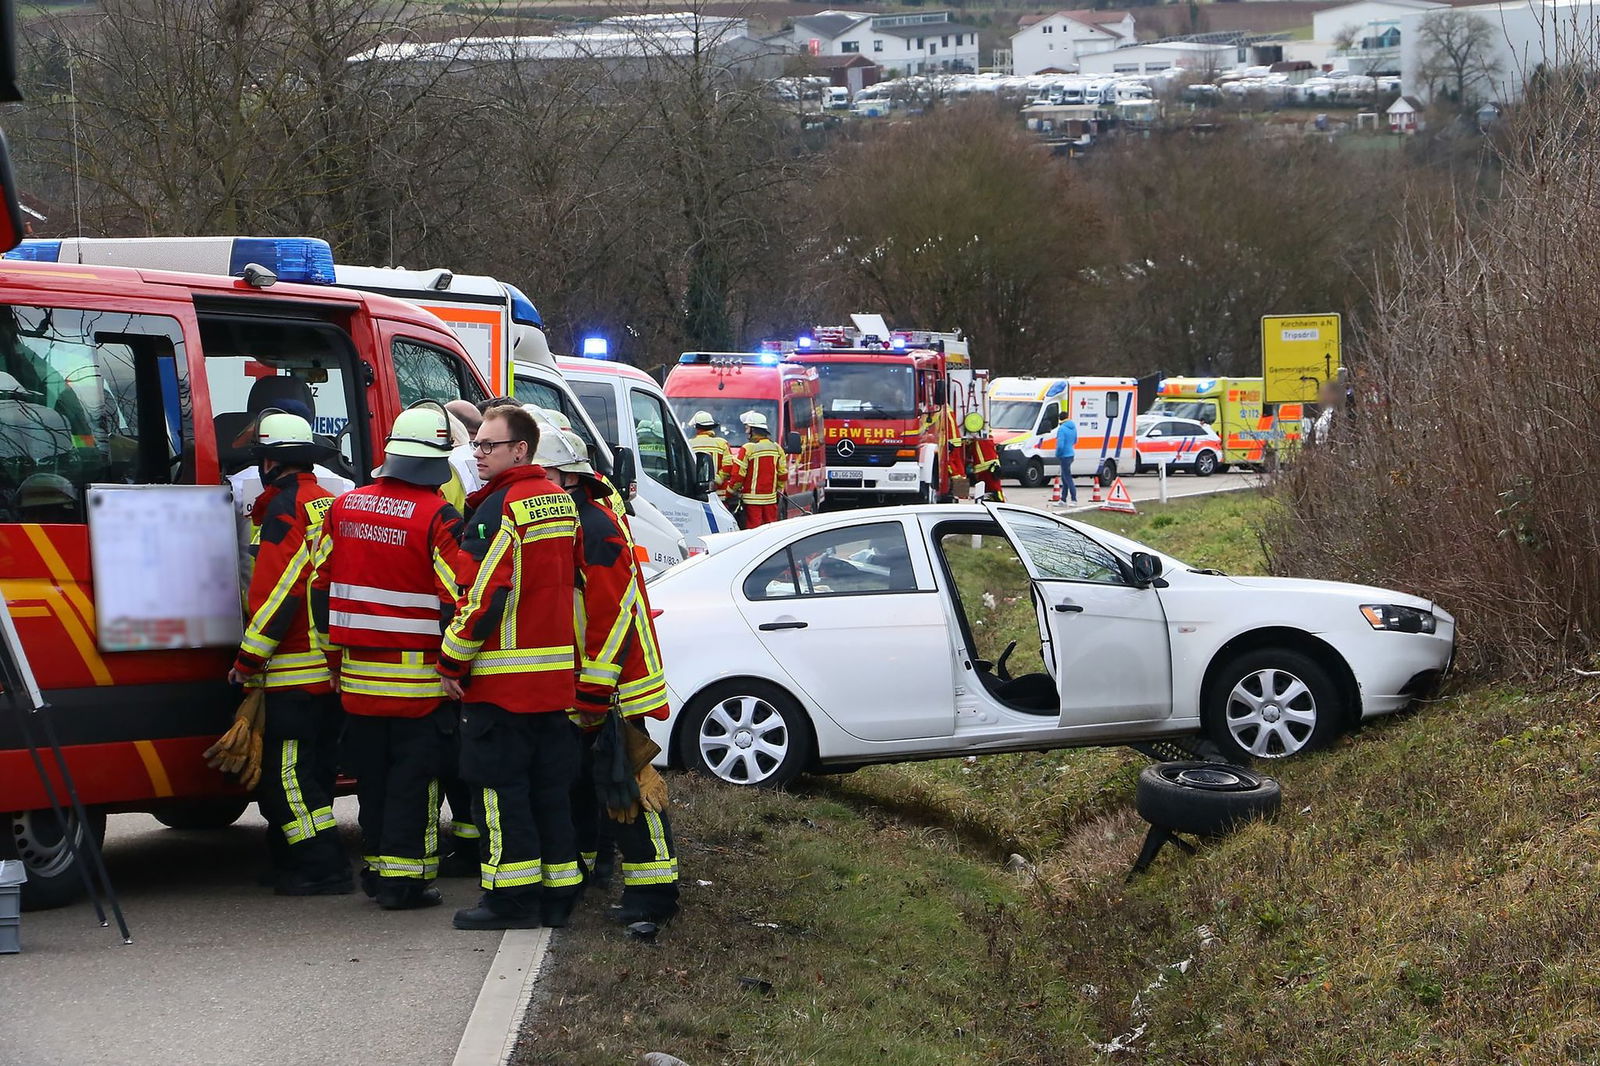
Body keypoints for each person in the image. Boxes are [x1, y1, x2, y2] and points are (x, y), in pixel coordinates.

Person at [310, 403, 467, 911]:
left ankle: (378, 872)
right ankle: (404, 883)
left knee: (373, 780)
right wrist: (457, 666)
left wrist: (333, 661)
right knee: (414, 783)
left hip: (357, 678)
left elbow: (319, 588)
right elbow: (455, 598)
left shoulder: (343, 507)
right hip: (419, 684)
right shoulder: (438, 516)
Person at [437, 404, 586, 931]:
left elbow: (484, 595)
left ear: (520, 449)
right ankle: (559, 895)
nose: (477, 454)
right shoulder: (559, 501)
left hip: (502, 684)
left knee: (500, 794)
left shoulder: (499, 508)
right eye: (476, 444)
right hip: (553, 681)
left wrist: (452, 660)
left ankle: (509, 899)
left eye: (488, 445)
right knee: (549, 791)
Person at [541, 427, 680, 927]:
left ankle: (655, 896)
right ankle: (595, 875)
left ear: (565, 477)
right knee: (586, 786)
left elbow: (615, 611)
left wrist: (596, 689)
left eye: (541, 476)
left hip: (613, 686)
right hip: (589, 683)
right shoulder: (572, 521)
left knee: (628, 787)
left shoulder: (594, 526)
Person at [226, 409, 350, 896]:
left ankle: (323, 866)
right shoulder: (326, 503)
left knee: (286, 779)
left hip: (295, 672)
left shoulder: (284, 509)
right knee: (313, 773)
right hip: (330, 668)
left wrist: (248, 660)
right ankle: (289, 860)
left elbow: (278, 592)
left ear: (270, 463)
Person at [732, 411, 786, 528]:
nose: (746, 431)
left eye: (747, 428)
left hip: (751, 502)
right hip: (770, 501)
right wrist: (777, 490)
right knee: (771, 530)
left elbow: (738, 475)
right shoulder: (777, 448)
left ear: (753, 429)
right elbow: (783, 474)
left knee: (753, 531)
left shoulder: (748, 448)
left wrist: (730, 491)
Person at [686, 411, 734, 503]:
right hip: (719, 494)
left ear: (696, 428)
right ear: (712, 427)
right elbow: (728, 467)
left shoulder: (690, 443)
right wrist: (717, 480)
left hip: (696, 494)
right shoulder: (722, 443)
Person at [962, 412, 1005, 503]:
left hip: (988, 467)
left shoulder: (976, 432)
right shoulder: (983, 431)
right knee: (989, 491)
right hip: (985, 467)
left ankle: (1001, 505)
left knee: (994, 491)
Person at [1053, 411, 1079, 504]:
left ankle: (1073, 499)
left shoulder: (1062, 429)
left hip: (1064, 455)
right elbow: (1075, 440)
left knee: (1067, 477)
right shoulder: (1073, 427)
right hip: (1071, 454)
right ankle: (1063, 499)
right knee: (1064, 477)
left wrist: (1057, 454)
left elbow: (1060, 445)